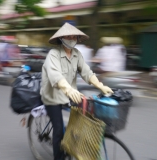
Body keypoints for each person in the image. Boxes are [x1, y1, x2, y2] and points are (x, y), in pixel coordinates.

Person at [41, 22, 113, 160]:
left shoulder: (77, 54)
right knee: (58, 131)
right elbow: (55, 74)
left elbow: (86, 72)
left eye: (74, 36)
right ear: (61, 38)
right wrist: (67, 89)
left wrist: (100, 85)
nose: (71, 38)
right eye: (68, 36)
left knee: (82, 121)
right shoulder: (53, 54)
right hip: (52, 96)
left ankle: (73, 148)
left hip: (70, 94)